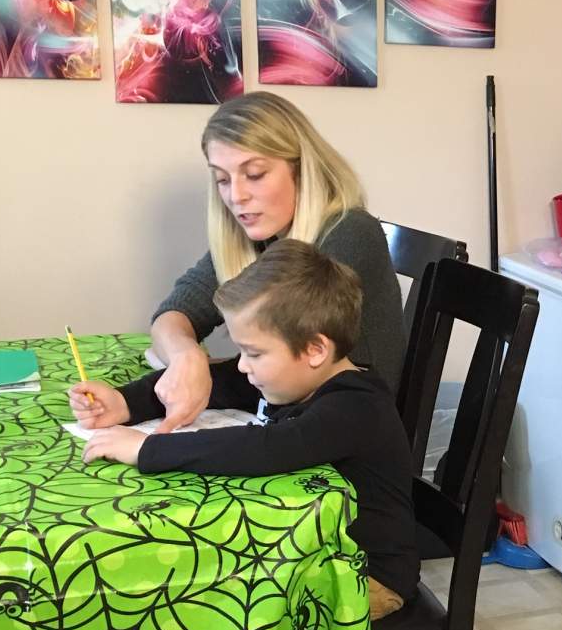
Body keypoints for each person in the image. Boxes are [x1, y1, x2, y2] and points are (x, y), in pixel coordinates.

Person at [68, 239, 417, 630]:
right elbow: (220, 383)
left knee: (201, 611)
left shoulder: (353, 404)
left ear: (316, 350)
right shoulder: (289, 377)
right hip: (308, 555)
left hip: (367, 579)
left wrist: (147, 448)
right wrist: (123, 403)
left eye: (255, 352)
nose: (245, 365)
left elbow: (263, 450)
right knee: (164, 585)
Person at [150, 91, 404, 433]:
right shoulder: (258, 235)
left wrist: (202, 372)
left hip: (348, 446)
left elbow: (288, 366)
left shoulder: (350, 233)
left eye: (254, 174)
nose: (236, 196)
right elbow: (174, 313)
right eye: (223, 179)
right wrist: (185, 355)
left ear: (301, 170)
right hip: (289, 420)